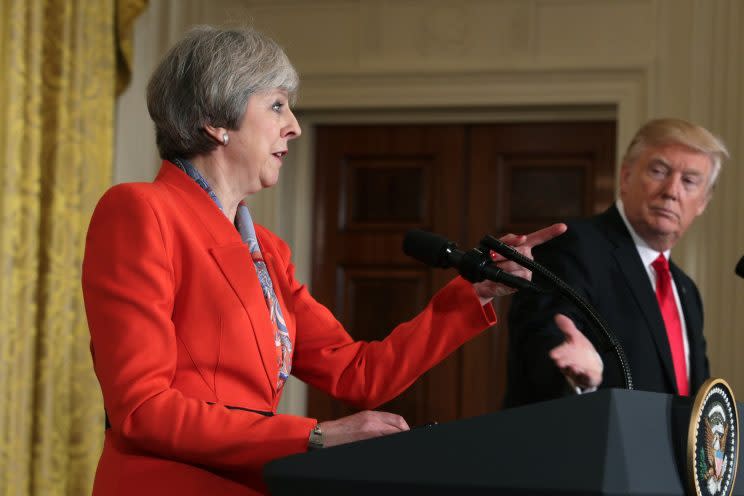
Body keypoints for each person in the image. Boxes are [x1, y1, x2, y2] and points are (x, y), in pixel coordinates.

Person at [82, 26, 580, 496]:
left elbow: (359, 374)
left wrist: (479, 291)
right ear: (215, 121)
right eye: (276, 106)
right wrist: (314, 436)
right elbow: (143, 408)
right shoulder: (141, 211)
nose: (294, 127)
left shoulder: (268, 250)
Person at [504, 118, 728, 408]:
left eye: (689, 181)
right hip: (591, 445)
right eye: (659, 171)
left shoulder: (686, 290)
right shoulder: (574, 246)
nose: (672, 191)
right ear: (625, 176)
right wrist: (580, 378)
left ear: (703, 202)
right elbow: (544, 344)